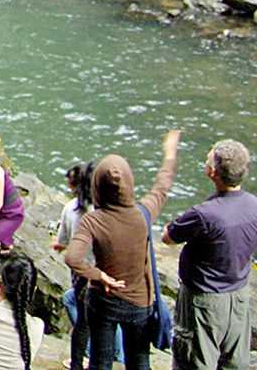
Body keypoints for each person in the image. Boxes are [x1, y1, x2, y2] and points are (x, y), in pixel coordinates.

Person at [66, 129, 183, 370]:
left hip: (103, 301)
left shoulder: (93, 220)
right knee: (139, 361)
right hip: (139, 303)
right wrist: (170, 153)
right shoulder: (144, 213)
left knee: (100, 362)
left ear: (97, 185)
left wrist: (99, 276)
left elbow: (72, 257)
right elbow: (163, 184)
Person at [163, 140, 257, 370]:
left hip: (204, 301)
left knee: (194, 362)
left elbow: (169, 237)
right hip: (239, 296)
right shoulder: (255, 205)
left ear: (212, 173)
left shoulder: (204, 214)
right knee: (235, 363)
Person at [55, 162, 122, 370]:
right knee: (109, 318)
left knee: (83, 322)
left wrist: (60, 245)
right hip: (106, 270)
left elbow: (64, 240)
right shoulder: (110, 209)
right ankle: (116, 357)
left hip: (82, 273)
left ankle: (77, 363)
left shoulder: (71, 209)